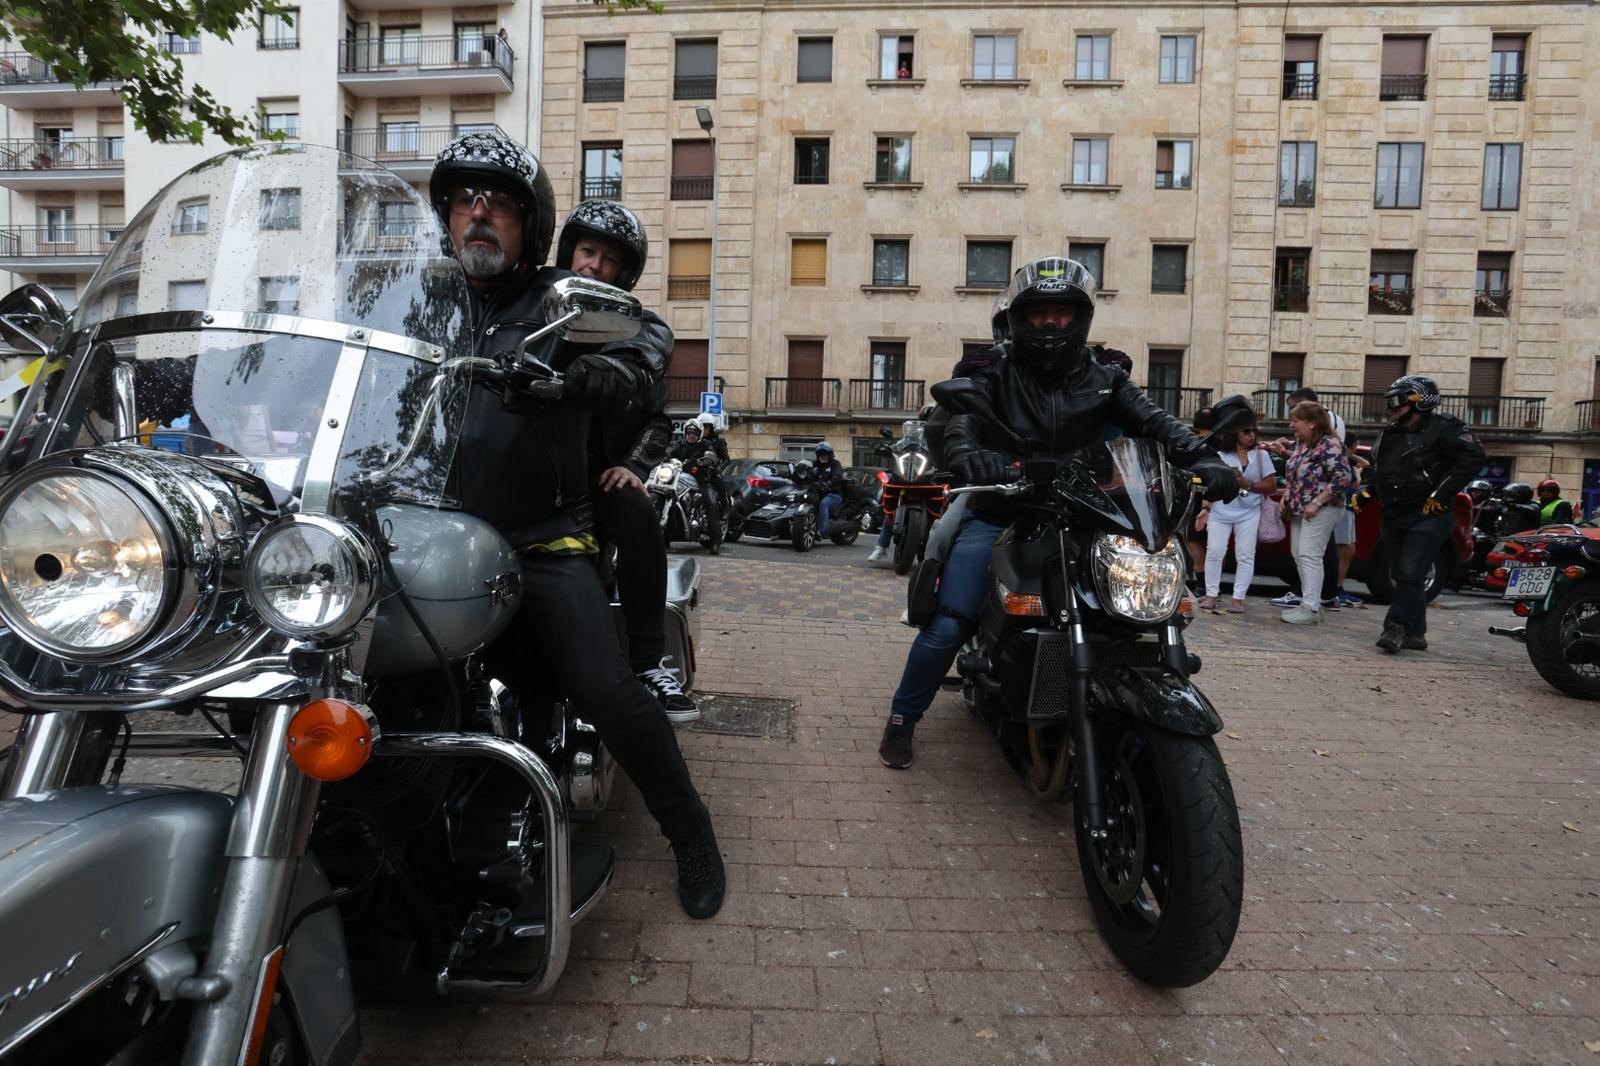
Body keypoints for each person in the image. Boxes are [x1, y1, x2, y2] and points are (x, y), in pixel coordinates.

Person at [430, 131, 723, 918]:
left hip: (545, 534)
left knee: (606, 687)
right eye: (463, 199)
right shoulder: (427, 303)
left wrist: (566, 377)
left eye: (497, 202)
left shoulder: (561, 298)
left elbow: (642, 349)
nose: (478, 215)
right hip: (432, 537)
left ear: (530, 221)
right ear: (445, 215)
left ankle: (690, 830)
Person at [877, 257, 1237, 769]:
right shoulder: (992, 373)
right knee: (952, 621)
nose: (1051, 323)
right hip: (1003, 510)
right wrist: (968, 455)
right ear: (1022, 317)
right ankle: (901, 718)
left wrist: (1202, 456)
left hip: (1086, 515)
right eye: (1040, 311)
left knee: (1141, 608)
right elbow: (964, 422)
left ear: (1082, 317)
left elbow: (1156, 422)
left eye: (1063, 313)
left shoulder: (1107, 381)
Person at [552, 199, 697, 722]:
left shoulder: (638, 327)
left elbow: (656, 415)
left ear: (624, 273)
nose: (593, 265)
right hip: (523, 469)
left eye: (608, 260)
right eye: (587, 251)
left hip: (591, 478)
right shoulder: (532, 307)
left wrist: (632, 466)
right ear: (570, 252)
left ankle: (645, 660)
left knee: (636, 514)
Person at [1362, 374, 1485, 653]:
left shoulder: (1445, 428)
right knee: (1407, 574)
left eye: (1397, 400)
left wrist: (1441, 493)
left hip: (1429, 513)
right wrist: (1366, 492)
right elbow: (1375, 471)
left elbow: (1473, 457)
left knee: (1409, 572)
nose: (1391, 407)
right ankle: (1416, 634)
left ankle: (1395, 628)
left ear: (1418, 401)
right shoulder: (1388, 435)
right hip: (1394, 513)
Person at [1278, 401, 1352, 624]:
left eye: (1296, 420)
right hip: (1301, 508)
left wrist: (1317, 502)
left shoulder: (1330, 444)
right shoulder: (1303, 444)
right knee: (1299, 554)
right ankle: (1309, 603)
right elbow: (1296, 474)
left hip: (1322, 509)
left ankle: (1310, 607)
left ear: (1311, 423)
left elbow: (1342, 478)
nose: (1292, 425)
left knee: (1310, 555)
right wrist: (1287, 495)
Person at [1199, 418, 1276, 613]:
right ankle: (1211, 595)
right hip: (1221, 509)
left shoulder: (1261, 455)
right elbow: (1211, 486)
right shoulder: (1220, 456)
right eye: (1246, 431)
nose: (1251, 434)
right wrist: (1205, 508)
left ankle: (1238, 598)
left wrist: (1247, 484)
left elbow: (1271, 486)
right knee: (1215, 552)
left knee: (1245, 555)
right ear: (1234, 434)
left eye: (1254, 431)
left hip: (1249, 511)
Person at [668, 414, 729, 550]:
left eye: (694, 433)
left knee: (709, 502)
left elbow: (713, 455)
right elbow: (670, 453)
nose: (691, 436)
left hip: (702, 480)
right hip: (682, 480)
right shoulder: (680, 444)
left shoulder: (706, 445)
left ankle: (715, 541)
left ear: (699, 434)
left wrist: (709, 460)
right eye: (689, 432)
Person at [811, 440, 846, 531]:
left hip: (834, 494)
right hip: (818, 493)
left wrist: (829, 483)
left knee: (823, 504)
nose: (822, 456)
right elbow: (808, 473)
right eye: (820, 454)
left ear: (830, 454)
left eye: (825, 454)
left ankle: (822, 530)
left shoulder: (835, 464)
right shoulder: (815, 464)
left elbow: (838, 476)